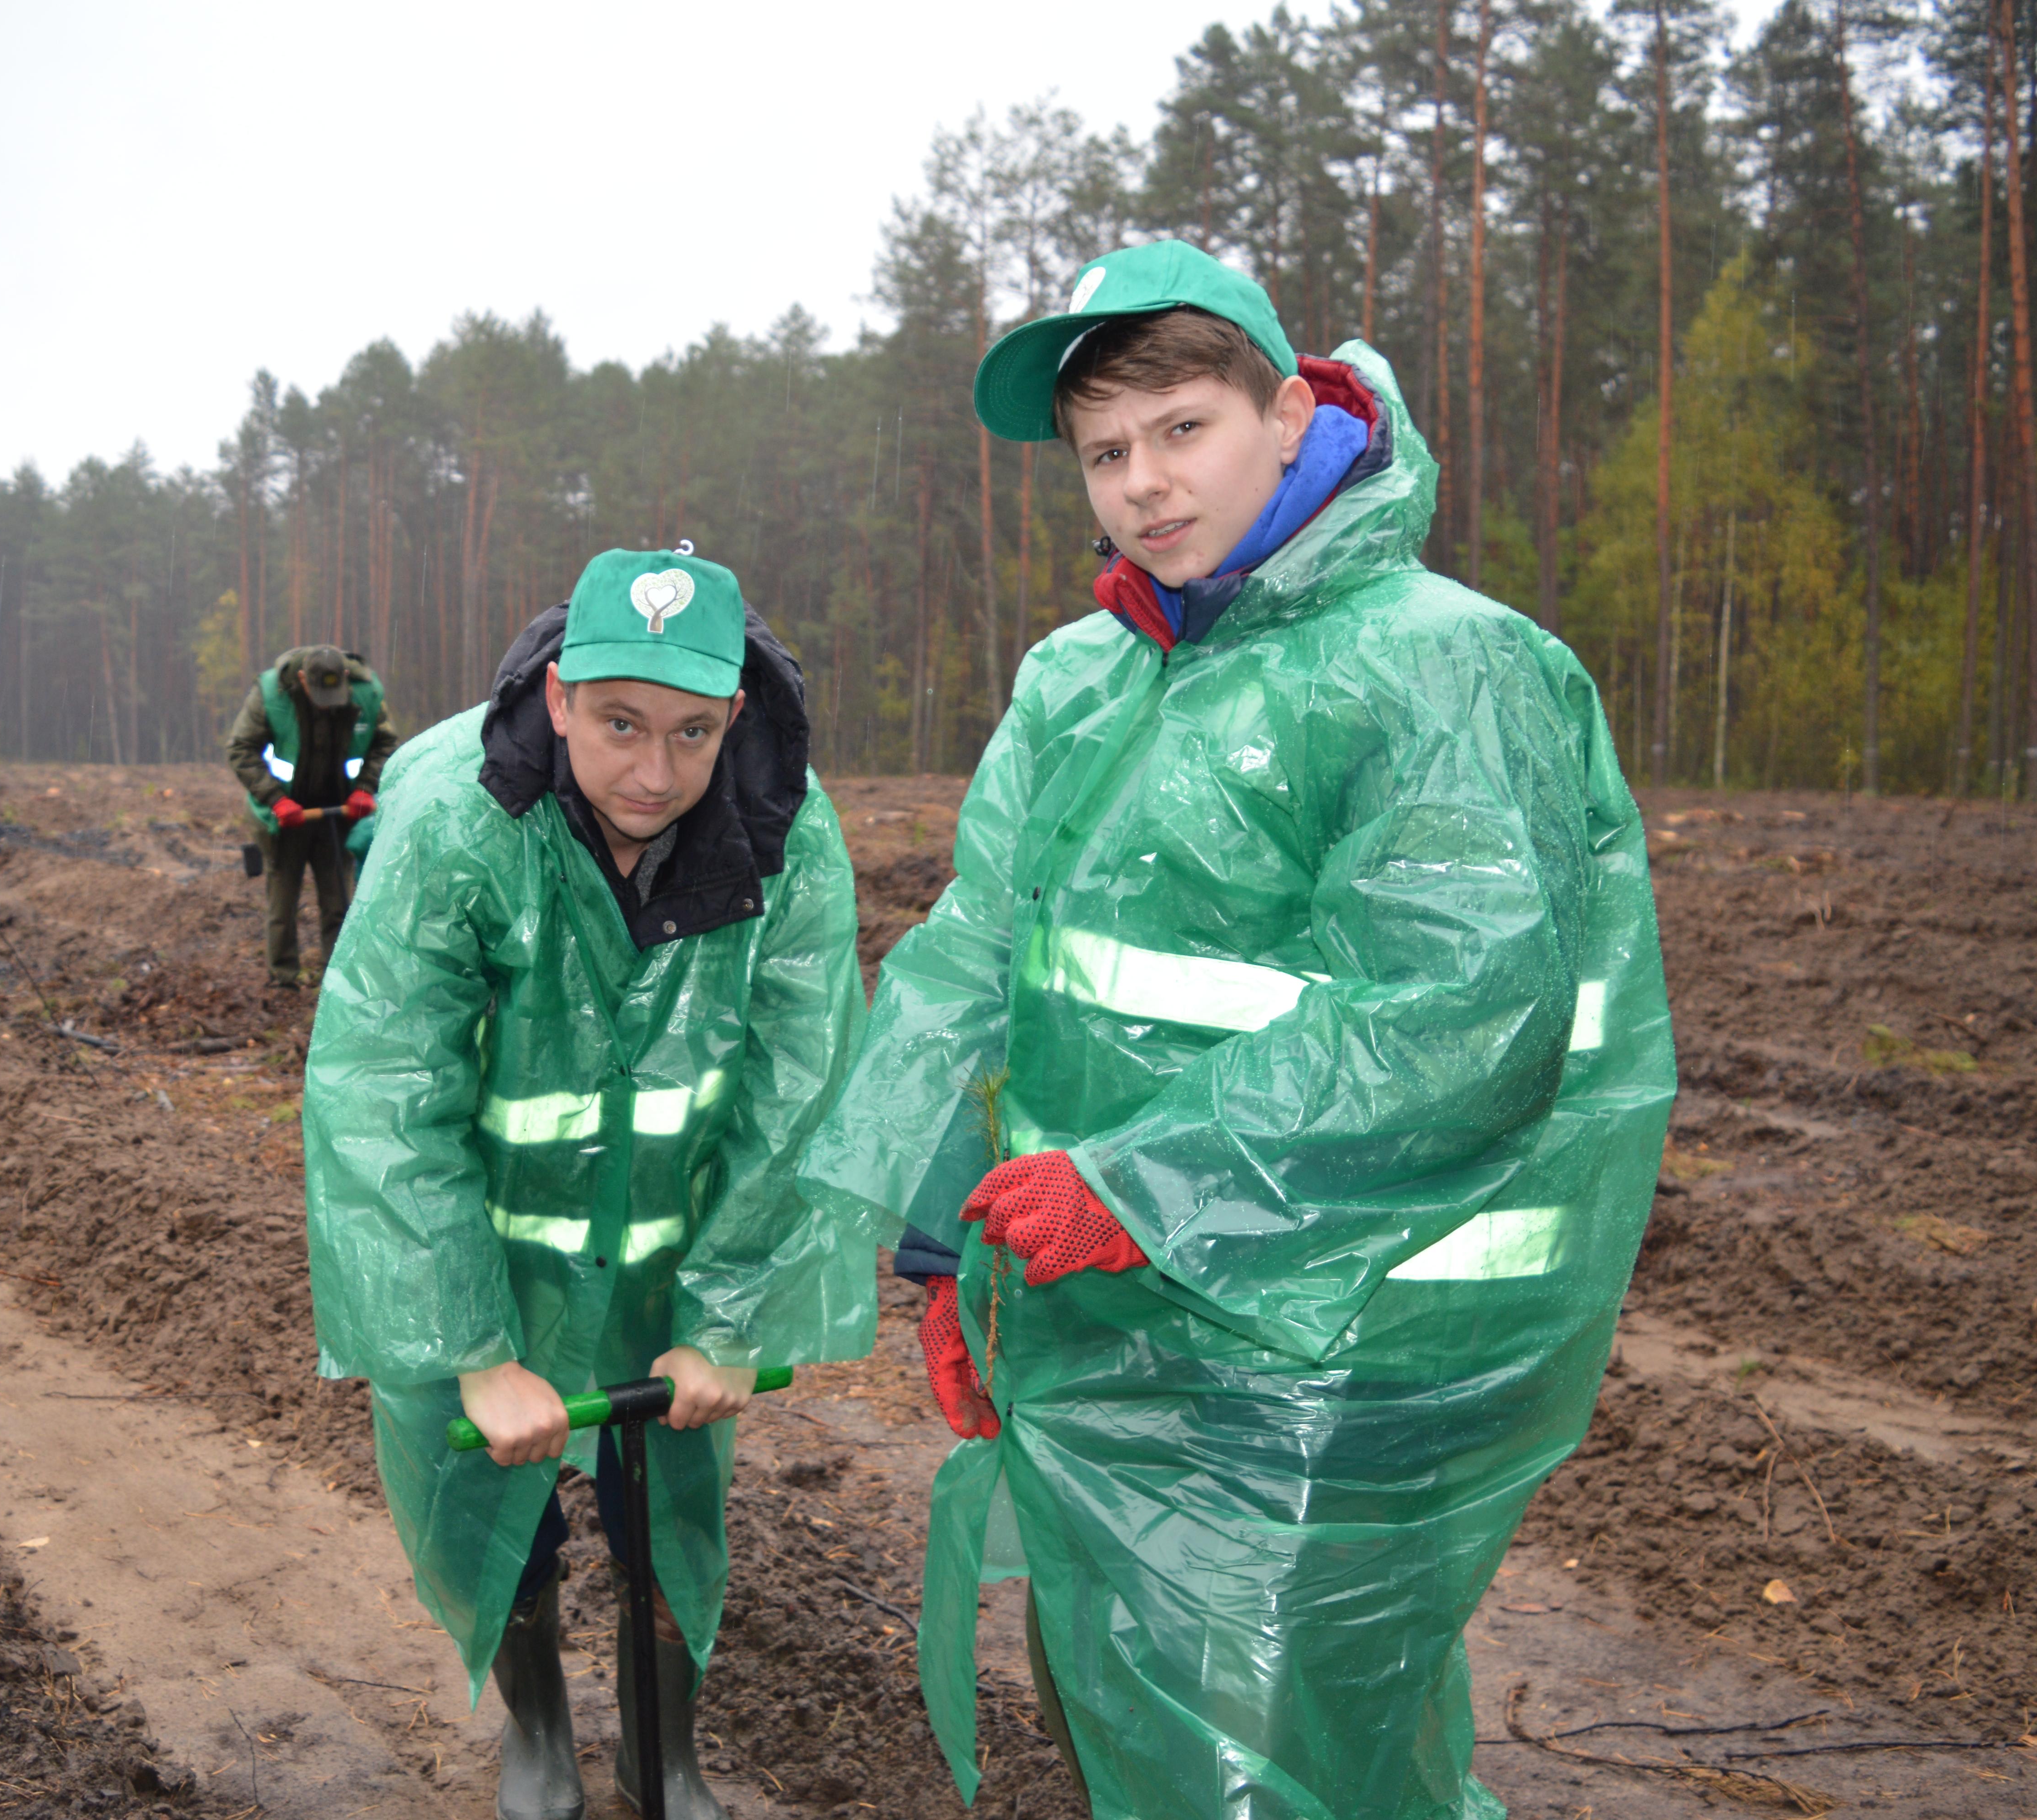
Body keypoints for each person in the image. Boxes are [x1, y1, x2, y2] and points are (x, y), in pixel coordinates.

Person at [799, 240, 1675, 1819]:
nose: (1142, 483)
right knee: (1131, 1724)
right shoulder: (1080, 678)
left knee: (1273, 1758)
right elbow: (985, 960)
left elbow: (1461, 1009)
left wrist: (1144, 1185)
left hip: (1334, 1351)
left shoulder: (1437, 662)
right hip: (1095, 1319)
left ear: (1286, 414)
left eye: (1181, 429)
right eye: (1102, 454)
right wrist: (941, 1245)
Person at [300, 546, 869, 1820]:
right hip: (484, 1231)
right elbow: (386, 1089)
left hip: (672, 1229)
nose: (655, 773)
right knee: (485, 1491)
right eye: (620, 723)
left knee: (674, 1495)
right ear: (558, 698)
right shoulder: (459, 822)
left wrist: (728, 1317)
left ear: (735, 716)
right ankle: (540, 1732)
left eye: (692, 732)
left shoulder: (786, 834)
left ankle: (664, 1753)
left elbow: (801, 1086)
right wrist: (470, 1347)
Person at [222, 642, 399, 987]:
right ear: (303, 679)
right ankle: (284, 976)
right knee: (283, 901)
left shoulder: (366, 694)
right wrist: (276, 800)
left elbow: (386, 744)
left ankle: (337, 979)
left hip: (339, 812)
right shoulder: (271, 694)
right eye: (319, 695)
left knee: (338, 901)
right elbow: (241, 749)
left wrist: (366, 788)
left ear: (345, 677)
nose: (326, 703)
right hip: (287, 814)